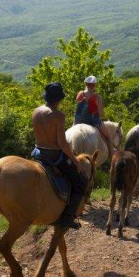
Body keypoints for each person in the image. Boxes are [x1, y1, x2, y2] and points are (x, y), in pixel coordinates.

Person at [31, 82, 86, 230]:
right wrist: (75, 161)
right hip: (53, 155)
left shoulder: (36, 111)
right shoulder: (58, 116)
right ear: (59, 99)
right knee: (81, 183)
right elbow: (62, 144)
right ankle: (67, 218)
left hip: (38, 152)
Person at [74, 75, 114, 155]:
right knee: (108, 136)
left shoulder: (80, 94)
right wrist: (103, 114)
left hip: (78, 120)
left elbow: (78, 108)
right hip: (93, 121)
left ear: (86, 84)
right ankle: (112, 156)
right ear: (95, 85)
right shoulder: (97, 97)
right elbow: (100, 113)